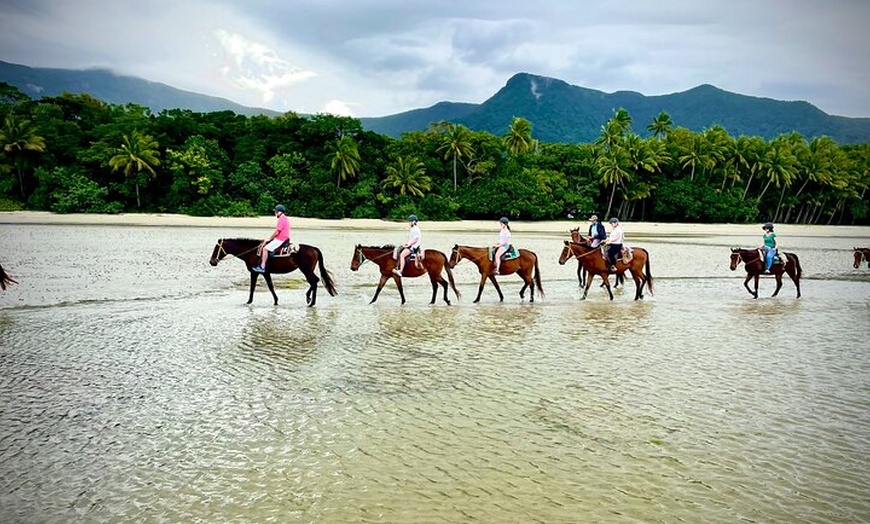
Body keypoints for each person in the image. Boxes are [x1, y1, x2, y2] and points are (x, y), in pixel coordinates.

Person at [253, 204, 291, 273]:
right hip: (283, 237)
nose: (275, 213)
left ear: (279, 212)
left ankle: (262, 267)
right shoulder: (284, 218)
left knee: (265, 249)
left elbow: (277, 232)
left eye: (275, 212)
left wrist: (269, 239)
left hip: (281, 239)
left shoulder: (281, 219)